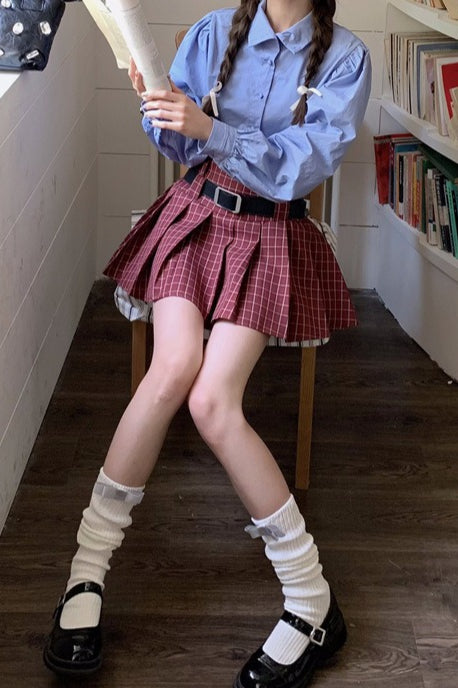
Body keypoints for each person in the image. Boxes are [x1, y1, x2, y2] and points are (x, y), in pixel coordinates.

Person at [43, 1, 371, 686]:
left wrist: (211, 128)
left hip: (271, 236)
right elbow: (181, 147)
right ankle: (85, 574)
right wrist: (160, 109)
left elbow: (303, 169)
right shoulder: (213, 31)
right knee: (171, 370)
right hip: (195, 220)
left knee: (213, 404)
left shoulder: (345, 56)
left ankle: (312, 599)